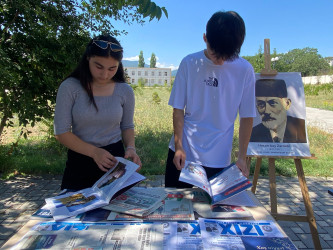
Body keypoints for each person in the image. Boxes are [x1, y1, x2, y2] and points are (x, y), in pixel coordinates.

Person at [165, 11, 256, 188]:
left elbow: (247, 116)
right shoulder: (189, 63)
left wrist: (242, 157)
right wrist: (179, 147)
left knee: (213, 213)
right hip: (184, 155)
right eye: (216, 54)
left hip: (219, 159)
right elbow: (178, 109)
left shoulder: (245, 70)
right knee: (175, 209)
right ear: (205, 38)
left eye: (227, 55)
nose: (221, 61)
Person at [54, 34, 141, 192]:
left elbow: (127, 126)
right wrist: (94, 152)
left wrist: (131, 148)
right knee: (76, 214)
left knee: (118, 213)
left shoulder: (125, 90)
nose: (105, 74)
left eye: (112, 68)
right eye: (99, 66)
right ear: (88, 58)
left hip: (115, 162)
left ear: (119, 65)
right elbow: (61, 132)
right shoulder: (70, 87)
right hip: (80, 160)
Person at [250, 79, 307, 143]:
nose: (267, 111)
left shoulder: (299, 128)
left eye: (272, 103)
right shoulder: (253, 134)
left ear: (287, 104)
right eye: (261, 104)